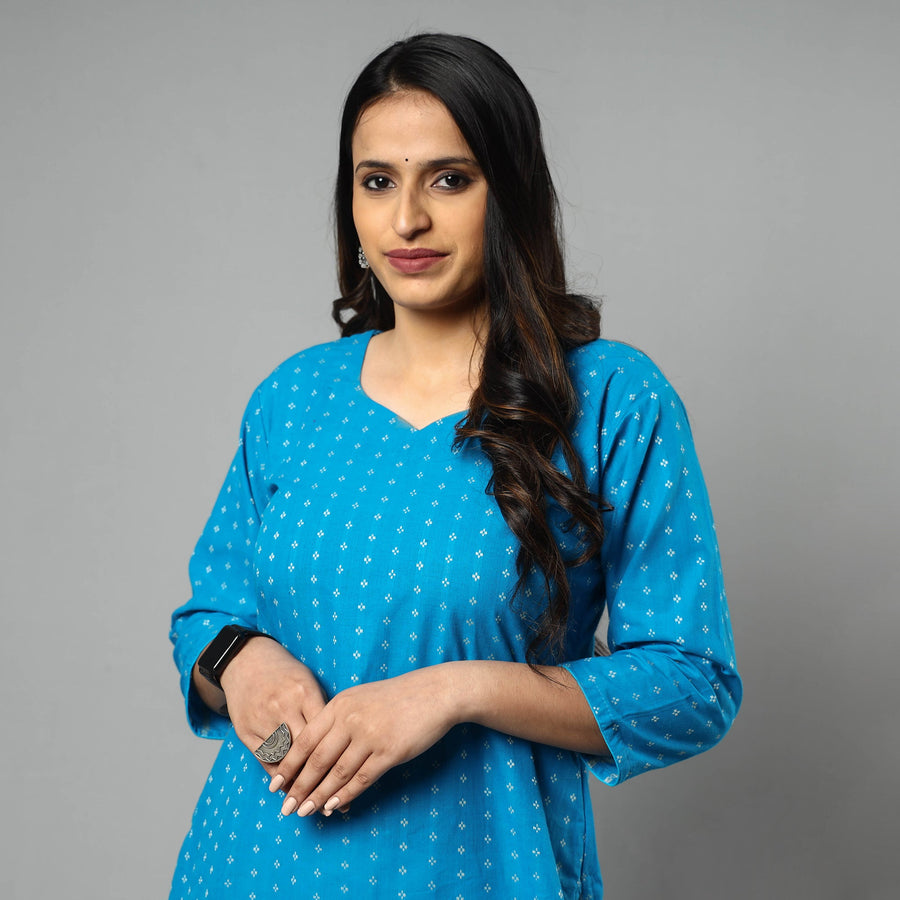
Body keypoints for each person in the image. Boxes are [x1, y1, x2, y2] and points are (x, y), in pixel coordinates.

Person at [169, 33, 741, 899]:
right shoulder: (294, 398)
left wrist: (458, 691)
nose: (407, 219)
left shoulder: (610, 397)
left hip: (478, 874)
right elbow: (208, 613)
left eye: (448, 179)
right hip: (246, 869)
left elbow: (692, 684)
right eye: (376, 182)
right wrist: (242, 662)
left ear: (507, 192)